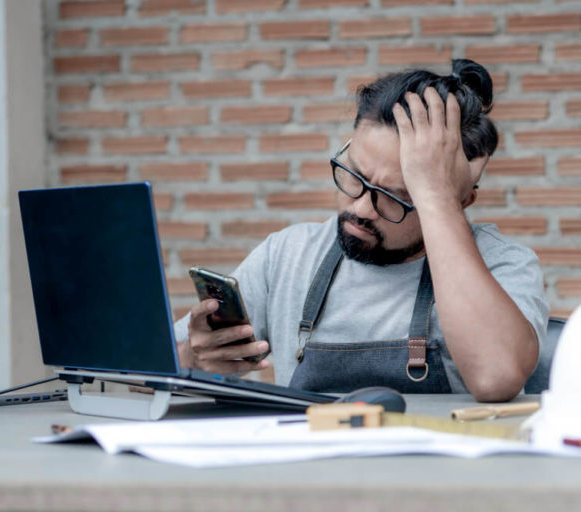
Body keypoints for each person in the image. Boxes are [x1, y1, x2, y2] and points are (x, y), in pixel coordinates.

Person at [174, 59, 549, 402]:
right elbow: (147, 370)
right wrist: (194, 356)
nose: (360, 208)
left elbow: (496, 377)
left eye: (396, 197)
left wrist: (436, 195)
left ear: (461, 201)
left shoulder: (504, 264)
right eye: (356, 176)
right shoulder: (287, 256)